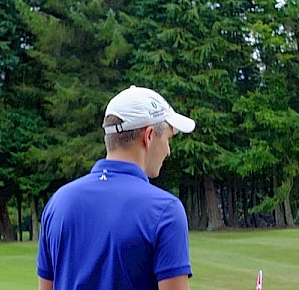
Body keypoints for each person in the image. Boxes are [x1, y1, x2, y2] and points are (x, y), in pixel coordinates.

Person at [37, 85, 196, 290]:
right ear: (148, 135)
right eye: (167, 139)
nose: (168, 151)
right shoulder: (165, 210)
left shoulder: (58, 203)